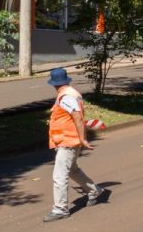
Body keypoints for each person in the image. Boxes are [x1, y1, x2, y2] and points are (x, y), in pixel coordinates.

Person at [44, 68, 105, 222]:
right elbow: (70, 117)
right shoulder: (72, 93)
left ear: (54, 83)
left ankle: (60, 209)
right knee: (72, 170)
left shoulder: (66, 96)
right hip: (69, 140)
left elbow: (77, 117)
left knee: (59, 176)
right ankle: (94, 191)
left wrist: (83, 139)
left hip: (68, 141)